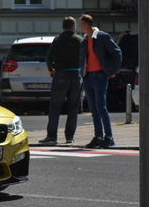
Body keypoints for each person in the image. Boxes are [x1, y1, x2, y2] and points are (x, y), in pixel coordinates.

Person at [78, 14, 122, 149]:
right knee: (93, 109)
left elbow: (117, 52)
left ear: (85, 24)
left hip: (100, 77)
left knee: (101, 107)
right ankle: (98, 137)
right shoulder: (84, 41)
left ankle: (109, 137)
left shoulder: (102, 37)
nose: (79, 27)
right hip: (88, 78)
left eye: (80, 24)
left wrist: (113, 71)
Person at [39, 17, 82, 146]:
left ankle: (52, 136)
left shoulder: (58, 39)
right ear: (74, 26)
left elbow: (49, 57)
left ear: (63, 26)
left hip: (61, 74)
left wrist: (51, 69)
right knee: (73, 107)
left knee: (55, 107)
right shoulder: (79, 40)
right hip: (76, 73)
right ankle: (70, 137)